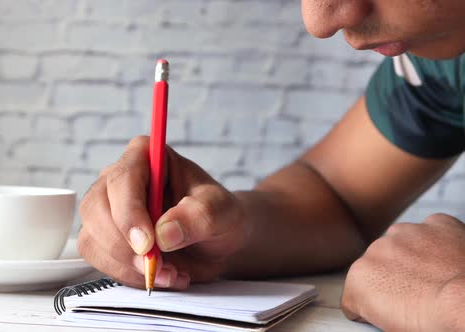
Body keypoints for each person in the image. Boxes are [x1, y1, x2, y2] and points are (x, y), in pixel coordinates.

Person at [77, 1, 465, 331]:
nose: (321, 21)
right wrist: (215, 230)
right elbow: (337, 196)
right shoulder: (439, 64)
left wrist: (454, 302)